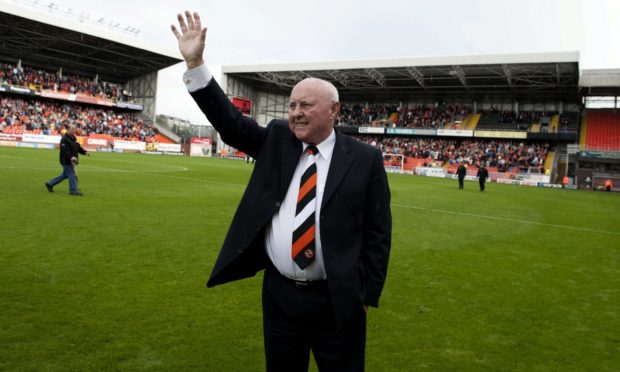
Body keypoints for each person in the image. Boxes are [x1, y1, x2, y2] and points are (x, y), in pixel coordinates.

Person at [172, 11, 392, 371]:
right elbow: (230, 124)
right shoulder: (278, 139)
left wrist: (366, 295)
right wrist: (195, 64)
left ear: (334, 110)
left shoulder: (365, 159)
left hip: (337, 299)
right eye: (292, 105)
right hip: (280, 297)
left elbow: (379, 233)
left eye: (306, 105)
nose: (296, 113)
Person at [45, 123, 89, 196]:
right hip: (66, 160)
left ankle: (50, 184)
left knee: (65, 175)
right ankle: (73, 190)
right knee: (71, 174)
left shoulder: (73, 138)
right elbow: (64, 151)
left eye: (75, 129)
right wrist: (71, 157)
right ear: (68, 129)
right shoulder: (64, 139)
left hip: (71, 160)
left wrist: (85, 152)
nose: (74, 130)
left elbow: (77, 147)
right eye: (73, 129)